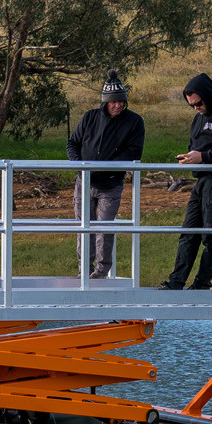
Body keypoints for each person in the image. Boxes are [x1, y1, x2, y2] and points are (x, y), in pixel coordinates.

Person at [160, 73, 212, 291]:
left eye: (198, 103)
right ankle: (176, 282)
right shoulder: (198, 118)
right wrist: (190, 158)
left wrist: (203, 157)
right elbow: (195, 145)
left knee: (211, 234)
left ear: (208, 95)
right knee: (188, 232)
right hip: (201, 179)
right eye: (191, 105)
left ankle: (202, 283)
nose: (196, 108)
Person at [66, 69, 145, 279]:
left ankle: (101, 271)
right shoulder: (90, 117)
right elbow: (73, 143)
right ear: (105, 102)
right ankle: (84, 270)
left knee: (104, 229)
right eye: (114, 102)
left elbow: (134, 152)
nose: (118, 105)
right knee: (84, 228)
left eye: (122, 101)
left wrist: (106, 166)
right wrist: (78, 164)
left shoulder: (135, 122)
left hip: (110, 185)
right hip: (84, 181)